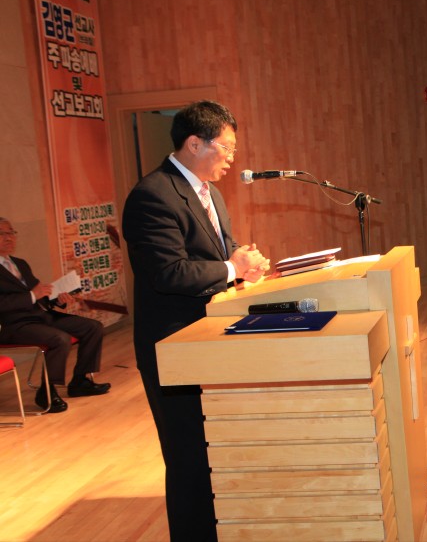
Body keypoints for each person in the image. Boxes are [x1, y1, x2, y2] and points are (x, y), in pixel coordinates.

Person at [122, 100, 270, 542]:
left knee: (215, 448)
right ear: (193, 143)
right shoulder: (152, 195)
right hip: (174, 346)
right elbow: (168, 273)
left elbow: (221, 252)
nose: (232, 158)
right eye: (226, 148)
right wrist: (230, 268)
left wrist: (245, 263)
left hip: (211, 338)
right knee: (188, 456)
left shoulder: (210, 192)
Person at [0, 217, 110, 413]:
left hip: (40, 317)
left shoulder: (20, 263)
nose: (9, 238)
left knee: (93, 327)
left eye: (11, 233)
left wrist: (57, 300)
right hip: (13, 324)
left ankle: (80, 381)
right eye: (2, 234)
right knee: (60, 339)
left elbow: (40, 296)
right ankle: (47, 392)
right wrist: (32, 295)